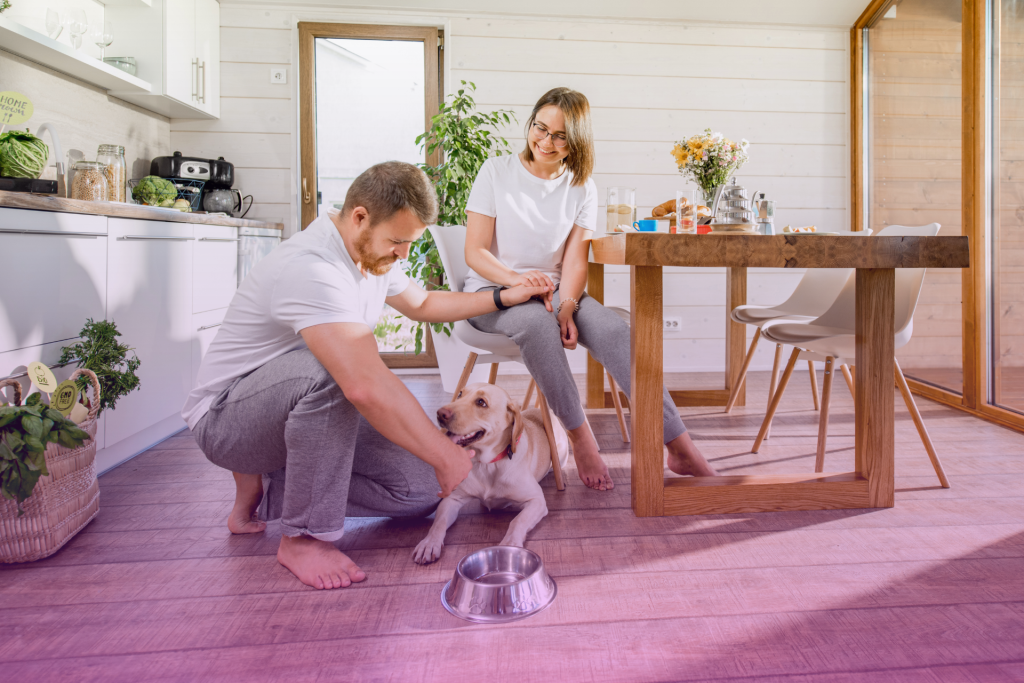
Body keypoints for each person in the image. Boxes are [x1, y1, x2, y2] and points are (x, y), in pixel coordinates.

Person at [182, 162, 550, 590]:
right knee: (339, 371)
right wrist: (444, 452)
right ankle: (304, 537)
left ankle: (274, 490)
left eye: (409, 243)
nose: (403, 254)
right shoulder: (312, 268)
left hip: (294, 419)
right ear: (359, 217)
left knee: (420, 489)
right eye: (398, 241)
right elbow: (361, 383)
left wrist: (505, 295)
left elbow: (425, 304)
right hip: (227, 421)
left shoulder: (371, 256)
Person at [463, 87, 719, 492]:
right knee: (535, 324)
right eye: (540, 128)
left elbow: (576, 260)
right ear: (530, 125)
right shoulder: (495, 172)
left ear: (577, 141)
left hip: (555, 290)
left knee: (616, 331)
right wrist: (520, 282)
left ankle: (679, 443)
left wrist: (566, 306)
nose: (546, 142)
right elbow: (475, 252)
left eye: (560, 136)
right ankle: (581, 438)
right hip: (493, 292)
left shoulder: (582, 186)